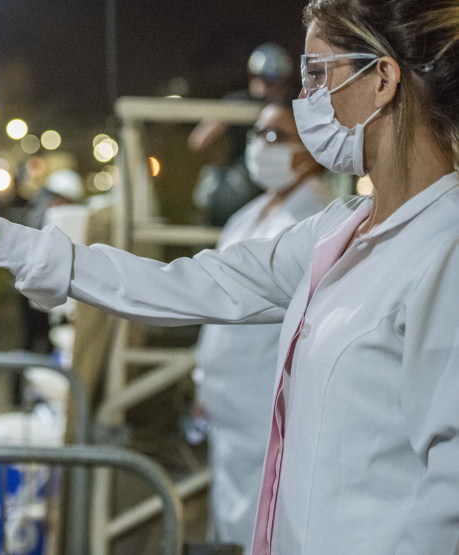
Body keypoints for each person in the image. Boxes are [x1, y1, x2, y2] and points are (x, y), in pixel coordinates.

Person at [0, 0, 459, 551]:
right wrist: (5, 242)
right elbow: (187, 284)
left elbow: (450, 502)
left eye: (318, 73)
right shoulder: (341, 230)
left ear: (383, 79)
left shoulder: (445, 248)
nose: (305, 98)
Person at [194, 100, 333, 552]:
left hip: (267, 409)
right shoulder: (248, 215)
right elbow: (216, 306)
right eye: (257, 134)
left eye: (276, 136)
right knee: (229, 523)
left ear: (310, 146)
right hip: (227, 410)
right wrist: (203, 383)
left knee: (265, 527)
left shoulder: (318, 218)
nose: (261, 146)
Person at [189, 43, 296, 226]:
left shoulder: (288, 107)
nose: (264, 85)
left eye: (272, 80)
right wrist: (219, 163)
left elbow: (198, 141)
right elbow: (199, 140)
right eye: (259, 77)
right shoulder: (238, 103)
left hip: (274, 184)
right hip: (246, 185)